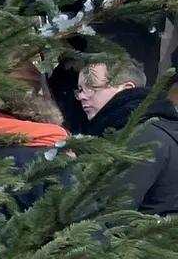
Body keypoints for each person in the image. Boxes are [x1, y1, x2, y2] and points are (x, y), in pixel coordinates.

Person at [73, 55, 178, 215]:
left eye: (92, 88)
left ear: (127, 88)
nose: (82, 96)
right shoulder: (158, 125)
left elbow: (113, 213)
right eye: (80, 90)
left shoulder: (142, 135)